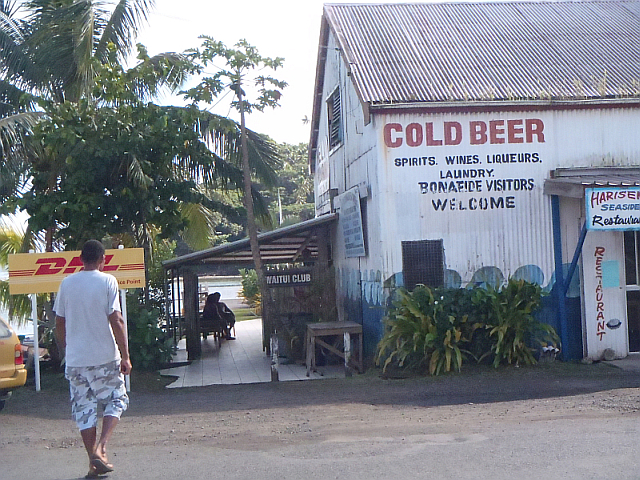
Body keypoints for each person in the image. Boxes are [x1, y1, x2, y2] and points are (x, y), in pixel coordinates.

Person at [54, 240, 131, 479]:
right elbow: (116, 319)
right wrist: (126, 356)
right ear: (103, 260)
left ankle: (92, 463)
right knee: (117, 399)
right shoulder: (108, 280)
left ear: (80, 259)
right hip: (105, 356)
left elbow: (59, 323)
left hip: (76, 360)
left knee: (84, 409)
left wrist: (67, 349)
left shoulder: (67, 283)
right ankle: (102, 448)